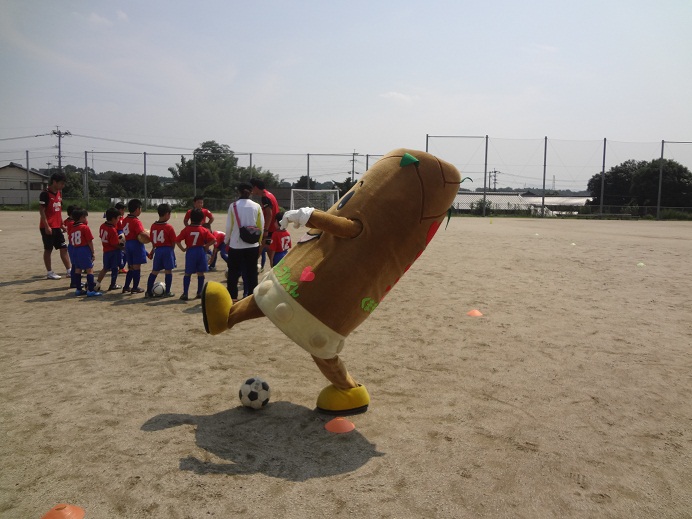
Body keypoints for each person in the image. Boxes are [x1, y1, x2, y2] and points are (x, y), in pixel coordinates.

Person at [226, 182, 264, 302]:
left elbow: (229, 226)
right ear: (251, 192)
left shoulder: (233, 206)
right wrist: (259, 241)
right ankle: (252, 298)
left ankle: (233, 297)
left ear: (239, 192)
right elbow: (260, 226)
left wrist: (227, 240)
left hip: (236, 244)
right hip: (252, 244)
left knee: (233, 273)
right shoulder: (256, 206)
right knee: (252, 272)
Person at [175, 208, 215, 301]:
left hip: (190, 252)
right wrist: (206, 245)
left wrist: (183, 249)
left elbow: (177, 240)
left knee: (187, 273)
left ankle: (185, 293)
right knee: (200, 273)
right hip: (201, 251)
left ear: (190, 219)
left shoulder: (186, 229)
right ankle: (199, 292)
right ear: (202, 219)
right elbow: (214, 240)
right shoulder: (203, 229)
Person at [39, 172, 71, 280]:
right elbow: (42, 211)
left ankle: (69, 270)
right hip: (47, 227)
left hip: (57, 226)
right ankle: (49, 272)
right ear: (54, 182)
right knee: (48, 249)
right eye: (61, 183)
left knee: (63, 248)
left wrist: (62, 224)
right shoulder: (45, 194)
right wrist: (47, 226)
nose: (63, 186)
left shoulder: (59, 193)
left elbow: (58, 210)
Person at [67, 208, 102, 297]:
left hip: (75, 249)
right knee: (89, 269)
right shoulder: (84, 227)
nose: (86, 219)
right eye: (85, 217)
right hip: (83, 249)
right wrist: (92, 252)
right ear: (82, 217)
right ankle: (90, 290)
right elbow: (89, 241)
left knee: (78, 269)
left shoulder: (72, 228)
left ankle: (78, 289)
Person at [146, 203, 177, 298]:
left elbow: (152, 239)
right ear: (167, 214)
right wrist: (172, 249)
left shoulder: (153, 226)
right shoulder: (169, 227)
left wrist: (154, 249)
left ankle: (148, 292)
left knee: (154, 271)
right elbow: (173, 241)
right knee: (168, 271)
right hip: (167, 250)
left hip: (158, 250)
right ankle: (167, 292)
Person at [121, 199, 150, 294]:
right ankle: (135, 287)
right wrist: (151, 238)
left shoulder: (125, 220)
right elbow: (141, 233)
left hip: (128, 244)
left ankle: (126, 286)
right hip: (136, 244)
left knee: (131, 267)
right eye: (140, 208)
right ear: (137, 209)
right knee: (137, 267)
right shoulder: (136, 221)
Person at [250, 178, 279, 268]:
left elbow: (269, 214)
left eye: (251, 188)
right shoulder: (269, 194)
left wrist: (265, 230)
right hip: (273, 229)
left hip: (270, 230)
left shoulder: (265, 197)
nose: (251, 190)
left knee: (264, 252)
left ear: (255, 187)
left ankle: (249, 270)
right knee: (270, 254)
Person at [95, 208, 124, 292]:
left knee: (105, 268)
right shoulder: (112, 229)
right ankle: (113, 284)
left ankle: (97, 282)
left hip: (106, 251)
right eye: (118, 218)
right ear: (113, 219)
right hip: (113, 251)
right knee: (115, 268)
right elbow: (114, 244)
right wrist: (123, 248)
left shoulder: (102, 226)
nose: (118, 220)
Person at [115, 202, 127, 274]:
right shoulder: (116, 218)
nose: (123, 212)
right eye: (123, 210)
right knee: (123, 252)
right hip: (119, 237)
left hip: (122, 235)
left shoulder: (122, 218)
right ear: (118, 210)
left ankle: (119, 266)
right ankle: (121, 267)